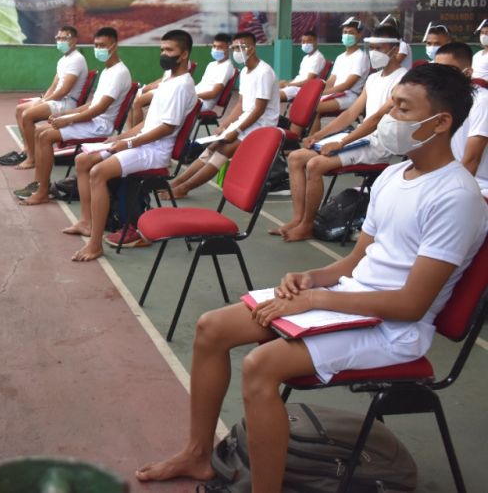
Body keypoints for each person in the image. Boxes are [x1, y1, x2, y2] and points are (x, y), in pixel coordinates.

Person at [136, 63, 488, 491]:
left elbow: (411, 304)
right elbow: (355, 262)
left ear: (441, 122)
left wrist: (319, 301)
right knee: (212, 328)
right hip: (349, 300)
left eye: (402, 109)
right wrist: (311, 278)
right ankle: (197, 455)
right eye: (391, 104)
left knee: (261, 367)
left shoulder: (457, 196)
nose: (387, 117)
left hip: (394, 329)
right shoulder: (394, 175)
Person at [62, 30, 197, 259]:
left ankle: (95, 245)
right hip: (143, 143)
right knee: (83, 160)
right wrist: (121, 137)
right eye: (162, 49)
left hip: (155, 152)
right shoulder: (168, 78)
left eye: (169, 50)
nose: (164, 54)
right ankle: (86, 221)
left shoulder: (182, 85)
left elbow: (166, 128)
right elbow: (148, 122)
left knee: (98, 172)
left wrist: (129, 142)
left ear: (184, 55)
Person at [272, 25, 408, 242]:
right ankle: (297, 219)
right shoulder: (373, 79)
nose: (373, 53)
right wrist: (319, 135)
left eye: (379, 48)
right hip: (362, 137)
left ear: (394, 49)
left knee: (315, 165)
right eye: (371, 47)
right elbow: (352, 113)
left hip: (380, 144)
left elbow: (375, 120)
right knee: (296, 157)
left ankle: (307, 226)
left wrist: (342, 142)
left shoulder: (404, 80)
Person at [17, 27, 132, 206]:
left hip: (101, 126)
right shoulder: (108, 70)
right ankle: (39, 185)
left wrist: (67, 119)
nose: (98, 49)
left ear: (114, 46)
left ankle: (42, 192)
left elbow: (99, 109)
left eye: (103, 45)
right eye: (96, 45)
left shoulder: (119, 73)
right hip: (93, 120)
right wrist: (65, 114)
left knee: (45, 136)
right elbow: (92, 104)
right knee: (40, 131)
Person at [167, 32, 279, 199]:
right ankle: (178, 182)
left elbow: (259, 110)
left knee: (224, 148)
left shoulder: (264, 72)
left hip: (262, 125)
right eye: (234, 48)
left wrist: (237, 129)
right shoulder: (245, 72)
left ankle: (185, 188)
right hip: (247, 121)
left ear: (252, 48)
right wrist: (225, 125)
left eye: (241, 47)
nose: (236, 51)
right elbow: (241, 105)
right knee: (212, 146)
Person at [0, 26, 88, 168]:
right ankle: (27, 151)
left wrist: (45, 101)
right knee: (20, 109)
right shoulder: (64, 60)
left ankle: (32, 159)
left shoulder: (77, 59)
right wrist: (43, 98)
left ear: (75, 40)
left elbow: (64, 90)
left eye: (65, 38)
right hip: (57, 100)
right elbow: (55, 84)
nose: (61, 41)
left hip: (67, 103)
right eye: (58, 38)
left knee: (27, 115)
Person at [432, 42, 488, 197]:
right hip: (448, 179)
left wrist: (449, 193)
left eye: (449, 70)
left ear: (468, 72)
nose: (442, 77)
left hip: (477, 187)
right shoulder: (446, 99)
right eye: (438, 70)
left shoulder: (482, 102)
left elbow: (472, 160)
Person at [309, 17, 369, 134]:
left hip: (350, 96)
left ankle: (313, 139)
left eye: (351, 33)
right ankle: (308, 138)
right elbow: (331, 80)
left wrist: (323, 93)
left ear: (359, 35)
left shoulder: (361, 57)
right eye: (345, 32)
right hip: (335, 94)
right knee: (308, 104)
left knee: (313, 108)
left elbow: (347, 85)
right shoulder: (340, 57)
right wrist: (319, 91)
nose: (347, 35)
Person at [278, 31, 326, 103]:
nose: (306, 44)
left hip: (303, 89)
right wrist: (287, 83)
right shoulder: (306, 58)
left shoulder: (318, 57)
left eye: (309, 41)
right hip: (295, 87)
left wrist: (287, 84)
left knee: (271, 97)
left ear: (316, 42)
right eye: (303, 42)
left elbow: (309, 81)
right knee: (267, 92)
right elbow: (300, 77)